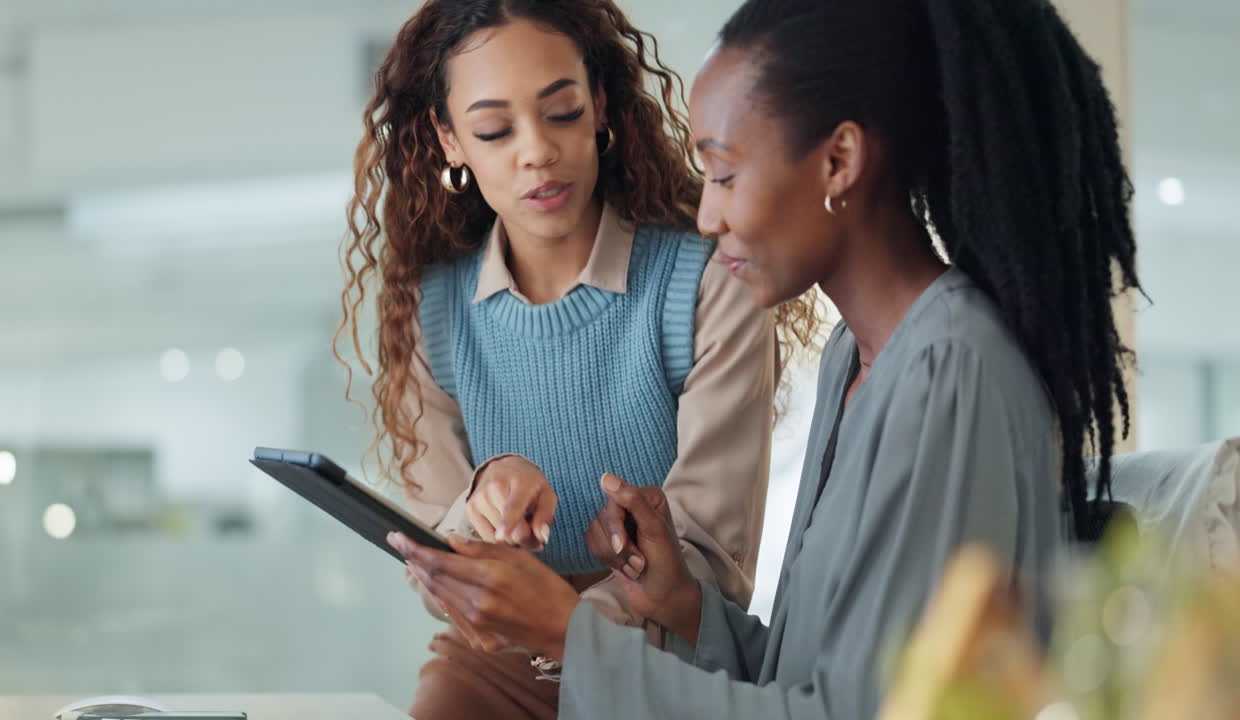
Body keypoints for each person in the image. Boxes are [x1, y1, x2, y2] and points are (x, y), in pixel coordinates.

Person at [390, 0, 1142, 717]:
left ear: (839, 161)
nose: (706, 216)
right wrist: (681, 603)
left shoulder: (950, 371)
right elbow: (805, 678)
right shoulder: (859, 357)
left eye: (724, 174)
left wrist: (569, 634)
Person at [336, 1, 820, 717]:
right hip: (493, 667)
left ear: (600, 105)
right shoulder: (428, 309)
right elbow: (437, 557)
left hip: (654, 662)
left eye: (561, 112)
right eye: (495, 130)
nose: (536, 151)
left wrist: (568, 627)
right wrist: (483, 497)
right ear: (448, 140)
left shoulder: (705, 282)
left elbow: (711, 556)